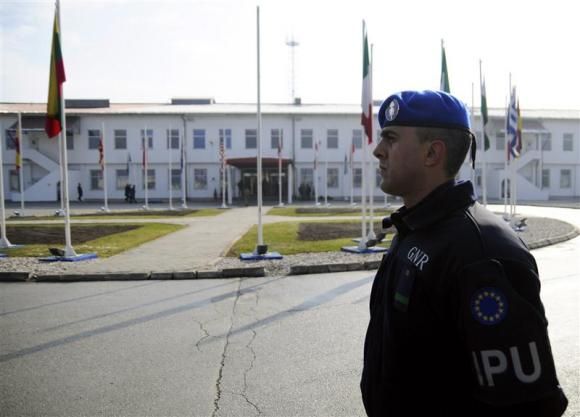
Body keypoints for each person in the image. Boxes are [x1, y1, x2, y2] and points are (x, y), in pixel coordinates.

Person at [361, 90, 568, 417]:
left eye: (391, 138)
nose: (378, 150)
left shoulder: (483, 251)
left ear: (432, 153)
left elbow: (528, 406)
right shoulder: (415, 227)